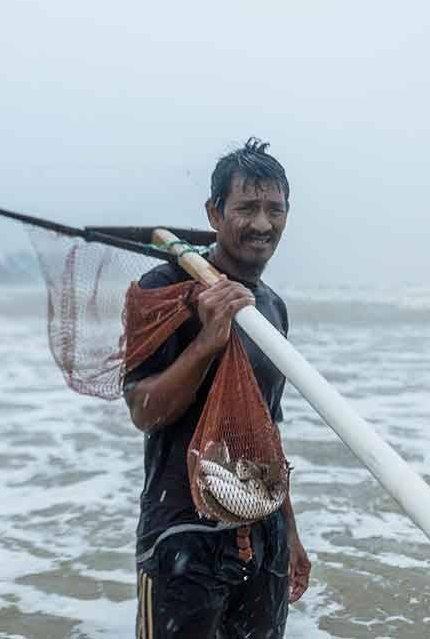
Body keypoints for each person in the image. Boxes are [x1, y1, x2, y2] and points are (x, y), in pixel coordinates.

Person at [124, 138, 310, 639]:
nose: (262, 224)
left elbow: (266, 426)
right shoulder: (162, 291)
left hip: (262, 534)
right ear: (214, 212)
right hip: (182, 535)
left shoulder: (271, 307)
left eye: (275, 209)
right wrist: (207, 341)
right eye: (246, 208)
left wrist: (289, 529)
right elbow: (144, 410)